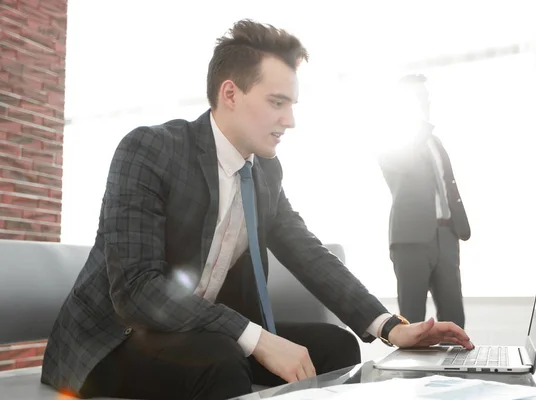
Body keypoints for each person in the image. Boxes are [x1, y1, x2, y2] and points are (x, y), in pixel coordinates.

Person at [41, 21, 473, 400]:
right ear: (230, 93)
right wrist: (256, 338)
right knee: (221, 360)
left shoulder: (265, 171)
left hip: (199, 332)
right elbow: (136, 289)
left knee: (336, 349)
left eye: (292, 105)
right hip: (114, 338)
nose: (290, 121)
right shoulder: (149, 150)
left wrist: (392, 327)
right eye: (277, 102)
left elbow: (309, 254)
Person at [378, 74, 471, 329]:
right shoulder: (390, 139)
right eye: (419, 96)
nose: (425, 101)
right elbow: (404, 164)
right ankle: (412, 371)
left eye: (426, 96)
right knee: (412, 323)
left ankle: (455, 369)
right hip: (410, 239)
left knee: (455, 320)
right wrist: (416, 123)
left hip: (446, 235)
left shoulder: (434, 141)